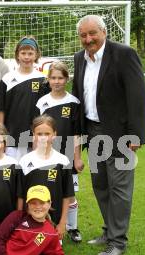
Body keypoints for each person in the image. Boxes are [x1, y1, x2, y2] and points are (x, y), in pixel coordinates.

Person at [72, 15, 145, 255]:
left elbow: (138, 96)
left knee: (120, 189)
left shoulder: (123, 54)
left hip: (120, 134)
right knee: (100, 185)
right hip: (93, 132)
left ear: (104, 32)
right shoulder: (78, 59)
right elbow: (78, 97)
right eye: (83, 35)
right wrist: (79, 132)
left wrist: (136, 135)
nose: (88, 39)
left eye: (92, 33)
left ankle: (118, 241)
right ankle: (109, 230)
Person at [36, 61, 84, 243]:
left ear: (67, 79)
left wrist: (77, 158)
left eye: (60, 78)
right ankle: (50, 225)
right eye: (53, 78)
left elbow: (76, 133)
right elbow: (37, 131)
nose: (57, 81)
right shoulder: (42, 102)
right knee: (48, 190)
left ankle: (73, 227)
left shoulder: (73, 102)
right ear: (48, 80)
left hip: (68, 157)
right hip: (46, 155)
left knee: (70, 194)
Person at [19, 115, 75, 241]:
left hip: (55, 222)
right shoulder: (24, 161)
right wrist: (20, 221)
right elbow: (20, 195)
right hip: (30, 220)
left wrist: (62, 223)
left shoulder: (63, 161)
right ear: (33, 135)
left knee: (50, 249)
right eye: (39, 134)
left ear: (54, 134)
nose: (43, 137)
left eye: (47, 133)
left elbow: (67, 195)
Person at [0, 36, 49, 160]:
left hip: (35, 139)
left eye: (30, 53)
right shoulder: (7, 79)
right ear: (17, 55)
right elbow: (1, 110)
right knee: (12, 175)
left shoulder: (43, 80)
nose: (26, 57)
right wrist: (0, 136)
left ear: (36, 55)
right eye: (23, 53)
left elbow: (45, 112)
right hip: (11, 138)